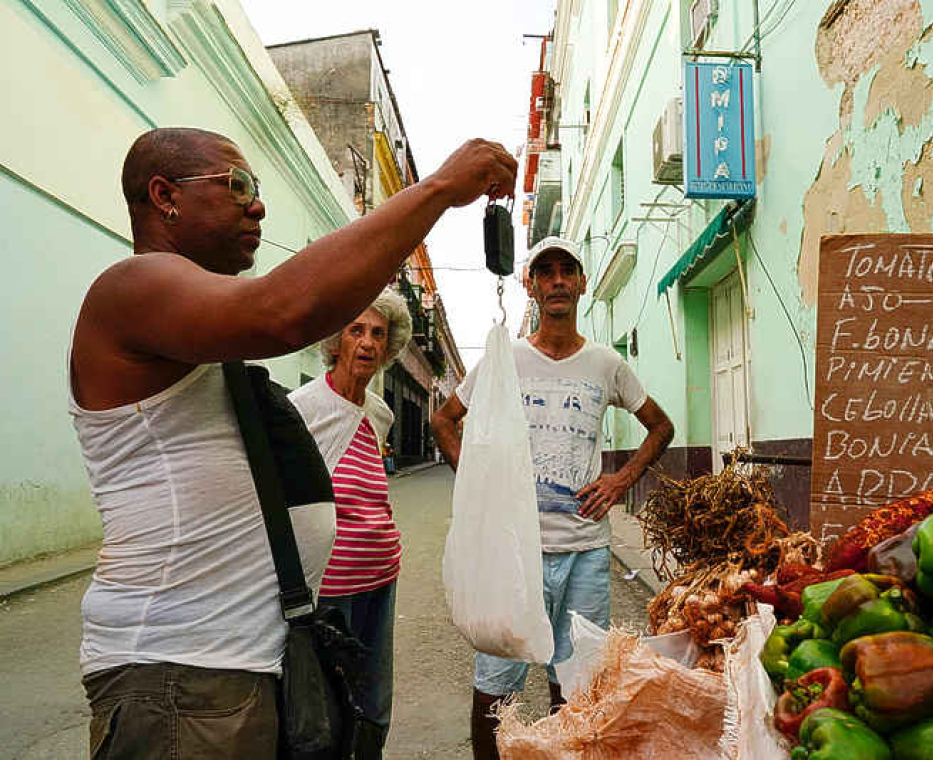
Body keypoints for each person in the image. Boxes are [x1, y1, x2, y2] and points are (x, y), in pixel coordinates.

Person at [68, 126, 515, 759]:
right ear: (164, 196)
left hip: (234, 668)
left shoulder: (197, 327)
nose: (258, 206)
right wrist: (438, 190)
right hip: (176, 679)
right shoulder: (130, 288)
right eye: (238, 187)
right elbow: (285, 312)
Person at [430, 237, 675, 760]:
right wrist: (482, 491)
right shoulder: (507, 358)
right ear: (532, 286)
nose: (558, 280)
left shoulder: (606, 364)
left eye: (568, 271)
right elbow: (444, 419)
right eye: (546, 272)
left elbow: (660, 426)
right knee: (496, 685)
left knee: (578, 686)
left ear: (583, 284)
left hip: (586, 552)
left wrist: (621, 480)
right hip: (515, 555)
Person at [287, 289, 412, 754]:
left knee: (375, 699)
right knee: (326, 708)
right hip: (330, 589)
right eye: (355, 330)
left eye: (378, 334)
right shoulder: (304, 407)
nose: (366, 342)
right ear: (336, 341)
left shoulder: (380, 413)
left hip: (382, 578)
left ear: (389, 346)